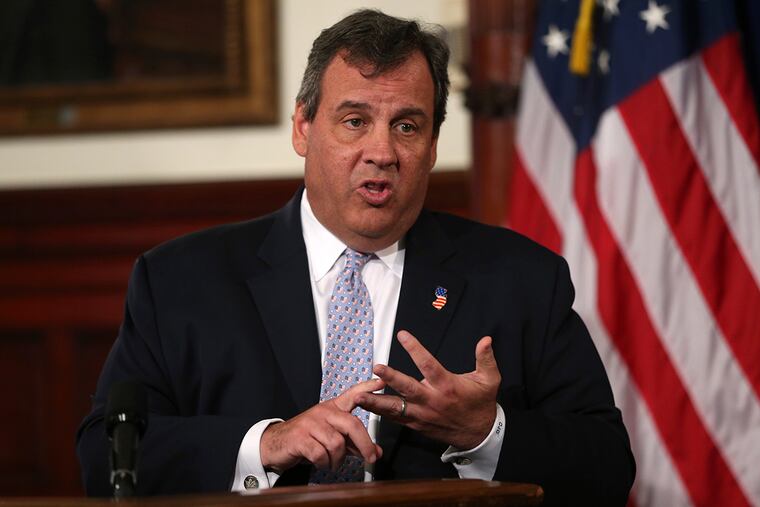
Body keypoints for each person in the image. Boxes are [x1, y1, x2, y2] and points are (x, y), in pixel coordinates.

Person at [77, 9, 635, 505]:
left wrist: (484, 432)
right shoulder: (182, 280)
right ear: (303, 127)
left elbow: (608, 468)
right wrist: (265, 444)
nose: (382, 152)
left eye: (407, 126)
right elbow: (104, 459)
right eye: (354, 121)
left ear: (433, 146)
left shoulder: (520, 280)